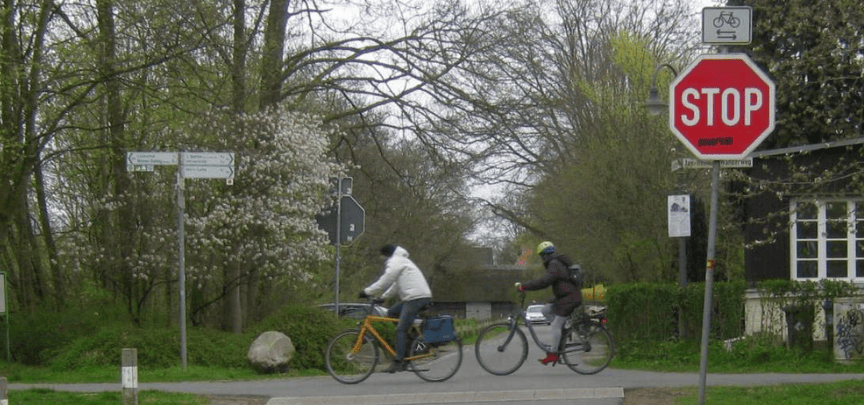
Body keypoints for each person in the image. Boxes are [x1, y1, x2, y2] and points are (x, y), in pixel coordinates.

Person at [359, 244, 433, 373]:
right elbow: (395, 284)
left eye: (381, 255)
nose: (381, 258)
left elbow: (385, 280)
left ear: (386, 254)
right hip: (414, 297)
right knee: (392, 313)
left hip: (416, 298)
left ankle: (398, 361)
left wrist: (367, 292)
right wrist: (383, 297)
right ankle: (409, 346)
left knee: (400, 330)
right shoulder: (401, 261)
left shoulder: (395, 261)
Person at [515, 241, 582, 365]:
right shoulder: (556, 263)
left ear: (545, 255)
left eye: (541, 256)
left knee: (555, 325)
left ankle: (553, 354)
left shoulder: (554, 264)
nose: (542, 259)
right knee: (545, 310)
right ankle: (563, 332)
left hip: (569, 299)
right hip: (565, 298)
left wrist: (524, 286)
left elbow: (544, 282)